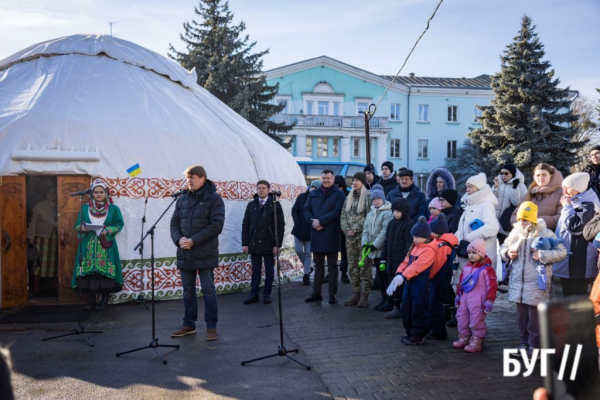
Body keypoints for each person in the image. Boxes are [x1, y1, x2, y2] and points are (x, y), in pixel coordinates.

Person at [500, 202, 566, 357]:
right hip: (518, 284)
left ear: (533, 219)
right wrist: (508, 253)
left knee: (534, 318)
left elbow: (562, 252)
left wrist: (542, 255)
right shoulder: (515, 232)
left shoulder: (545, 233)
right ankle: (524, 344)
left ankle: (534, 347)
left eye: (525, 219)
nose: (522, 222)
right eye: (520, 219)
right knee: (521, 317)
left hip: (536, 283)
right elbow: (503, 246)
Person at [170, 165, 225, 341]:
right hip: (185, 252)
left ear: (202, 178)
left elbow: (216, 225)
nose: (189, 181)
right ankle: (188, 324)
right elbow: (174, 224)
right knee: (187, 291)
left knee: (208, 290)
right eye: (187, 178)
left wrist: (193, 240)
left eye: (193, 178)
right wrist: (179, 240)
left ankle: (211, 326)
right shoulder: (182, 199)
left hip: (205, 251)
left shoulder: (214, 199)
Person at [71, 180, 124, 311]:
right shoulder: (85, 208)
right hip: (88, 245)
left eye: (101, 192)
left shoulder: (113, 209)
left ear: (106, 193)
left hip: (106, 245)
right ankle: (91, 301)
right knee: (89, 272)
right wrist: (84, 227)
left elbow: (119, 224)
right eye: (96, 192)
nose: (99, 194)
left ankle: (104, 301)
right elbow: (77, 225)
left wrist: (108, 231)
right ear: (92, 194)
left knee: (105, 272)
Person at [386, 216, 436, 345]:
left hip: (419, 283)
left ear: (426, 237)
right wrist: (399, 273)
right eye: (414, 237)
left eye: (417, 237)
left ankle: (418, 334)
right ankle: (410, 332)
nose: (414, 239)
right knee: (407, 306)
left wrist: (403, 276)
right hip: (410, 282)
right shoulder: (415, 247)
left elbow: (417, 266)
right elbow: (406, 262)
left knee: (418, 307)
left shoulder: (429, 250)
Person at [303, 169, 346, 304]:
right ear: (320, 179)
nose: (326, 180)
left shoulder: (339, 194)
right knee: (318, 264)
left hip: (332, 234)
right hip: (317, 233)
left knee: (332, 266)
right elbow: (306, 210)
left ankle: (332, 294)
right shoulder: (313, 193)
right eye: (324, 178)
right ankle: (316, 293)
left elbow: (337, 211)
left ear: (333, 179)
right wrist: (313, 222)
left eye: (328, 178)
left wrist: (321, 221)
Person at [554, 172, 599, 297]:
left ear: (578, 188)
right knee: (567, 296)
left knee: (577, 297)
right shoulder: (573, 200)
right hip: (569, 258)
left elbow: (575, 227)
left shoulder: (589, 204)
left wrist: (567, 207)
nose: (564, 191)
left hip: (579, 260)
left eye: (568, 187)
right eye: (563, 187)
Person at [242, 180, 284, 305]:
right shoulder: (251, 205)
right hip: (254, 242)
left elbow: (280, 226)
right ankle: (254, 294)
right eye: (259, 188)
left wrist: (278, 244)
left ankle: (267, 294)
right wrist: (245, 243)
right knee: (255, 270)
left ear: (268, 189)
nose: (261, 190)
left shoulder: (275, 205)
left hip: (269, 242)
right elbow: (246, 224)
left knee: (269, 270)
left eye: (263, 188)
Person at [452, 239, 498, 353]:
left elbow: (492, 286)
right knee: (462, 317)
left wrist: (489, 301)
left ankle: (476, 340)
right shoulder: (467, 267)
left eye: (474, 252)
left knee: (476, 320)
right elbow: (461, 283)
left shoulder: (487, 269)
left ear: (481, 253)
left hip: (478, 301)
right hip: (465, 299)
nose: (471, 255)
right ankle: (464, 337)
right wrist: (458, 296)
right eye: (469, 253)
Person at [354, 185, 392, 308]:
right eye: (374, 199)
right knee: (380, 277)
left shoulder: (387, 213)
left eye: (378, 199)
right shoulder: (371, 213)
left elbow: (385, 231)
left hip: (382, 250)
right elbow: (365, 229)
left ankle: (389, 300)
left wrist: (375, 245)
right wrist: (365, 243)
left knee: (385, 276)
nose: (375, 201)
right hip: (372, 249)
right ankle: (383, 299)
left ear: (383, 199)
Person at [455, 173, 499, 278]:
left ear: (478, 188)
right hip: (466, 253)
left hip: (481, 255)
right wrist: (454, 240)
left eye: (470, 187)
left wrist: (470, 237)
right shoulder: (470, 204)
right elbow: (462, 229)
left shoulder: (486, 204)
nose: (467, 190)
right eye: (467, 187)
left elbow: (492, 227)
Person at [379, 198, 413, 317]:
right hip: (390, 259)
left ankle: (398, 307)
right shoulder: (391, 223)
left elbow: (409, 244)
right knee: (390, 282)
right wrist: (383, 258)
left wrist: (405, 261)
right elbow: (386, 241)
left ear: (404, 211)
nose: (395, 213)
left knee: (399, 285)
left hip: (401, 261)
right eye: (394, 211)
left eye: (398, 211)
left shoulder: (408, 224)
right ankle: (393, 304)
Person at [341, 172, 371, 306]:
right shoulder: (348, 197)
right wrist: (347, 230)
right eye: (353, 180)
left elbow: (370, 216)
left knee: (364, 265)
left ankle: (364, 295)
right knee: (352, 265)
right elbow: (343, 215)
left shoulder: (368, 196)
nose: (354, 182)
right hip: (350, 238)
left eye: (357, 180)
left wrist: (355, 228)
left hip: (363, 236)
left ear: (363, 182)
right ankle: (355, 293)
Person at [428, 214, 458, 340]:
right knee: (436, 304)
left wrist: (429, 277)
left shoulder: (442, 245)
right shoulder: (444, 242)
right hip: (441, 278)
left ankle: (438, 331)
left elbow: (437, 264)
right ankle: (436, 329)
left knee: (434, 305)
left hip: (439, 278)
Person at [511, 163, 563, 231]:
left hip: (548, 236)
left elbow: (561, 217)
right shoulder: (530, 193)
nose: (541, 177)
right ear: (534, 177)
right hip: (526, 234)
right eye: (538, 175)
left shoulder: (561, 193)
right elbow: (514, 216)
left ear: (551, 176)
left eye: (544, 175)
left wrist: (535, 221)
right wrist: (523, 223)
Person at [27, 187, 58, 293]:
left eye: (54, 193)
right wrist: (31, 237)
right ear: (46, 194)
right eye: (49, 193)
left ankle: (57, 288)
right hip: (42, 238)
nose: (51, 195)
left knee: (57, 262)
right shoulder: (39, 206)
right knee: (41, 262)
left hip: (58, 238)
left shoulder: (62, 204)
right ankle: (36, 288)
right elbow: (33, 223)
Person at [293, 180, 320, 285]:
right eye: (312, 186)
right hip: (299, 229)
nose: (313, 188)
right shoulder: (302, 197)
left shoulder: (318, 198)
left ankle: (306, 274)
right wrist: (297, 222)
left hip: (310, 230)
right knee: (298, 250)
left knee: (308, 253)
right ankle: (309, 267)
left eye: (315, 187)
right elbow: (294, 210)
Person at [493, 163, 527, 244]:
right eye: (501, 173)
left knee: (506, 248)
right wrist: (495, 187)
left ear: (512, 173)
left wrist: (515, 188)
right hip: (494, 222)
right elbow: (492, 200)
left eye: (506, 173)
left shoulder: (520, 185)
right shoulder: (498, 183)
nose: (503, 175)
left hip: (507, 222)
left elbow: (517, 203)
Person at [334, 175, 350, 284]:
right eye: (336, 185)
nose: (338, 187)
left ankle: (344, 273)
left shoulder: (348, 196)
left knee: (345, 251)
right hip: (333, 226)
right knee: (332, 251)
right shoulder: (332, 195)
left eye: (340, 186)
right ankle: (331, 273)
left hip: (344, 227)